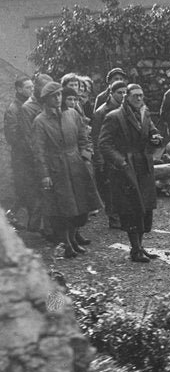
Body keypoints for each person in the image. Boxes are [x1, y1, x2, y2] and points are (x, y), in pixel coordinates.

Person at [31, 82, 103, 258]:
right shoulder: (40, 122)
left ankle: (73, 238)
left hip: (76, 163)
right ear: (46, 100)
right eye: (53, 96)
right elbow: (38, 152)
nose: (57, 99)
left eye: (59, 95)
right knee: (64, 208)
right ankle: (67, 244)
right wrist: (45, 175)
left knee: (80, 205)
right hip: (57, 168)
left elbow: (84, 138)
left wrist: (85, 157)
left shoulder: (72, 114)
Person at [98, 83, 163, 263]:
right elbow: (104, 144)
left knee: (145, 208)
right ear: (126, 97)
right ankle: (135, 249)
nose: (139, 99)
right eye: (135, 96)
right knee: (131, 209)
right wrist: (121, 161)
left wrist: (156, 138)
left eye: (141, 95)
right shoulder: (114, 117)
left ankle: (140, 247)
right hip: (126, 169)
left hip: (143, 165)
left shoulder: (144, 113)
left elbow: (151, 130)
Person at [17, 74, 54, 234]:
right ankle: (46, 229)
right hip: (38, 157)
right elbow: (29, 138)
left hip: (53, 155)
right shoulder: (27, 108)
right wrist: (40, 159)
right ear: (37, 87)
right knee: (43, 194)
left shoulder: (47, 102)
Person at [92, 79, 127, 228]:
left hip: (123, 153)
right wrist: (99, 159)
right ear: (111, 93)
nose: (123, 95)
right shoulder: (102, 112)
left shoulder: (126, 108)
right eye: (119, 93)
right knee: (111, 187)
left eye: (125, 92)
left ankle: (123, 215)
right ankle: (113, 218)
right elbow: (97, 138)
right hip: (109, 155)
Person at [3, 76, 35, 228]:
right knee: (24, 189)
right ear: (19, 89)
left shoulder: (30, 106)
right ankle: (13, 215)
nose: (31, 90)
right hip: (22, 157)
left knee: (30, 189)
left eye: (32, 87)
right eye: (28, 87)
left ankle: (28, 221)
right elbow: (12, 137)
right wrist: (30, 147)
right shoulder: (13, 109)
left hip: (31, 154)